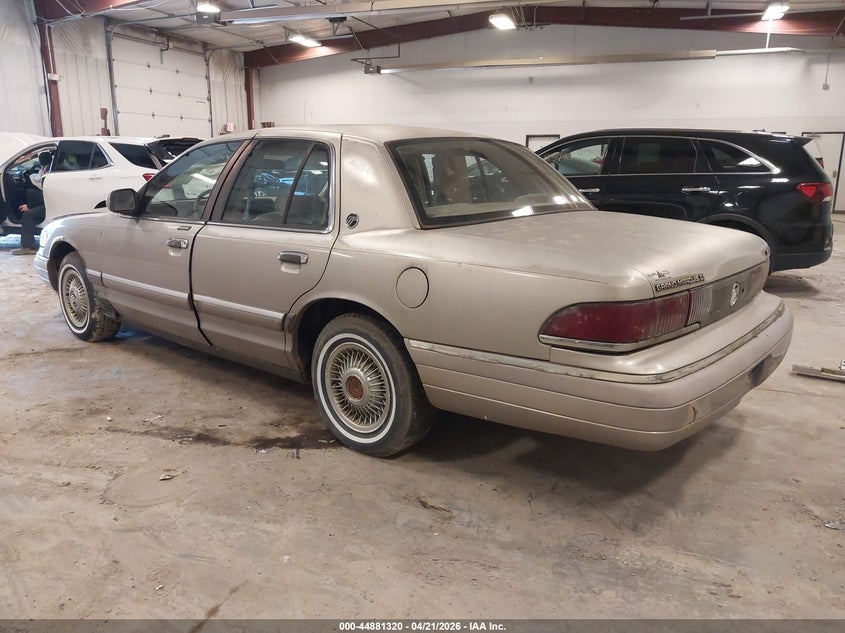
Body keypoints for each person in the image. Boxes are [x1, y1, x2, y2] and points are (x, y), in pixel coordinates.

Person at [11, 151, 52, 256]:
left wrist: (29, 206)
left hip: (50, 204)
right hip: (48, 202)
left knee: (28, 214)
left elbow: (46, 194)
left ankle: (28, 247)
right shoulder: (47, 169)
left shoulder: (49, 171)